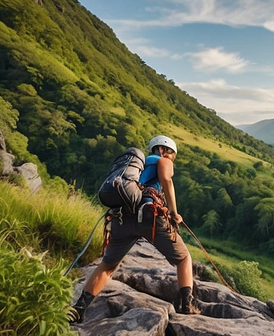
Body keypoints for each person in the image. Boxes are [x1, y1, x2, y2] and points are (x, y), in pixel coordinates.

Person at [70, 135, 199, 323]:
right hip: (150, 215)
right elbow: (166, 180)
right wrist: (173, 212)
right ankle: (187, 305)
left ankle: (78, 309)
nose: (172, 160)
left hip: (122, 217)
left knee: (107, 266)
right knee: (184, 258)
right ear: (164, 150)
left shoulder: (136, 169)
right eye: (172, 155)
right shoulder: (163, 160)